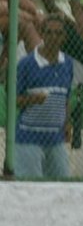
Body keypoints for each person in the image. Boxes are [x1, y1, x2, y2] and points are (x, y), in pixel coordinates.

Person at [14, 16, 73, 180]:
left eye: (58, 33)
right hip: (28, 138)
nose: (54, 37)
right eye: (49, 32)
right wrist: (32, 100)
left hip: (55, 138)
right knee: (30, 186)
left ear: (64, 37)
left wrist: (67, 122)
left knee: (62, 183)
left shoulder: (67, 63)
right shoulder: (26, 64)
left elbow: (66, 97)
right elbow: (13, 100)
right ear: (42, 34)